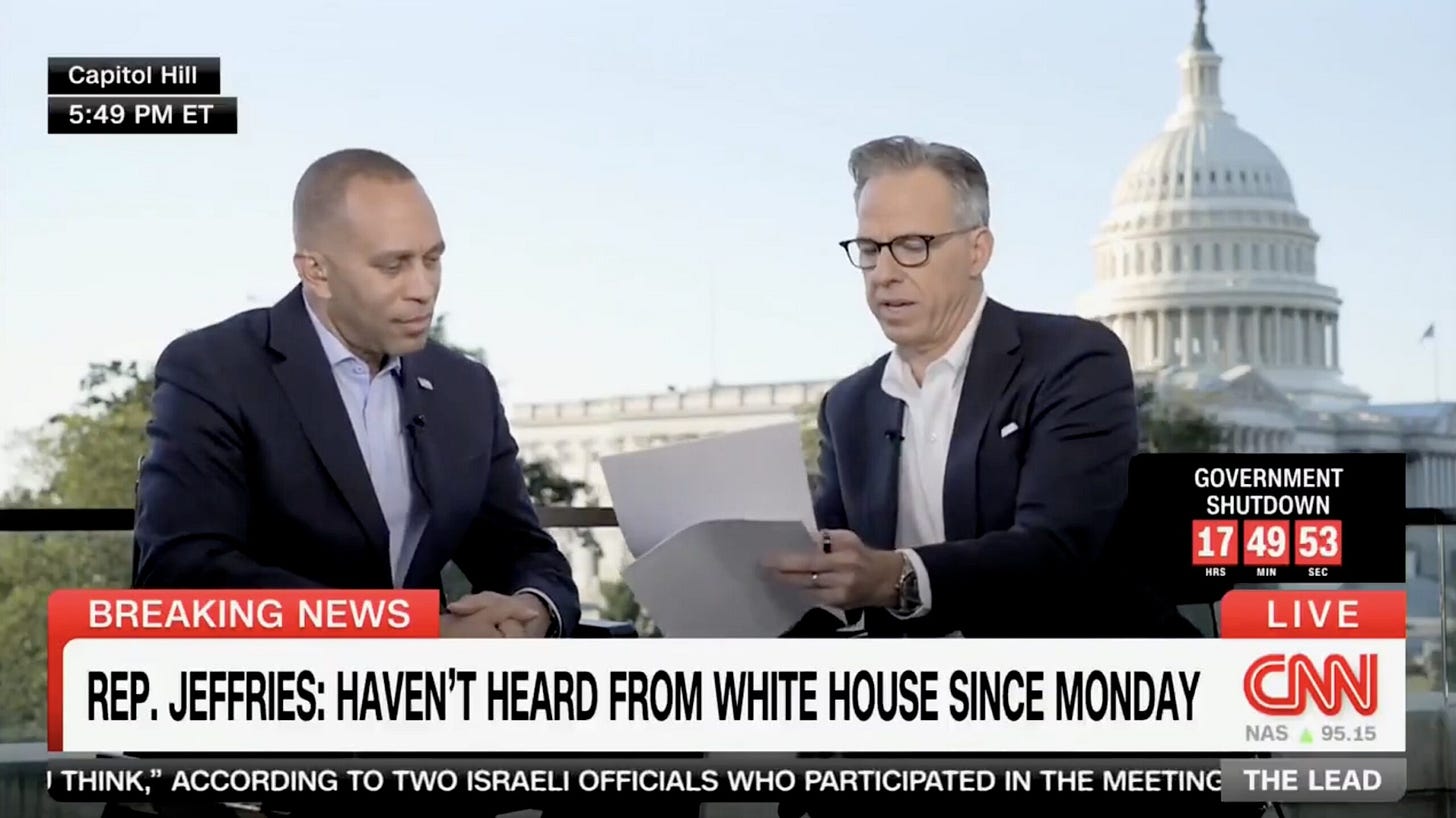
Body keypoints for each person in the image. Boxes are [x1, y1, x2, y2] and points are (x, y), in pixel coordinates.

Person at [134, 148, 580, 641]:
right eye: (393, 266)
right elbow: (183, 574)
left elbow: (521, 549)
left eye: (432, 259)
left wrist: (531, 609)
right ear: (316, 271)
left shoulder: (465, 388)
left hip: (424, 704)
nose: (423, 288)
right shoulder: (215, 369)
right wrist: (410, 634)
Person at [767, 135, 1197, 640]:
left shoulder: (1074, 360)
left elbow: (1057, 550)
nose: (883, 274)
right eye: (868, 249)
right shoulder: (848, 406)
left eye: (912, 246)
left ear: (977, 251)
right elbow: (833, 574)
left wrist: (898, 578)